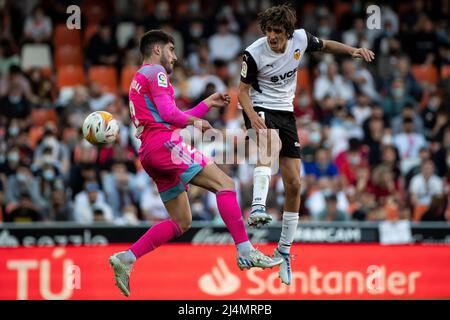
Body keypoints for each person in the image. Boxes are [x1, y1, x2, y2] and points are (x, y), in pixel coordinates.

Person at [109, 30, 282, 297]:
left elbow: (166, 117)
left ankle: (127, 258)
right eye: (171, 49)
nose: (175, 57)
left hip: (150, 152)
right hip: (164, 145)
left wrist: (203, 106)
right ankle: (245, 251)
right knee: (225, 183)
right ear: (157, 50)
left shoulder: (139, 78)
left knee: (181, 221)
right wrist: (195, 121)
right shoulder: (156, 73)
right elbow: (169, 116)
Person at [238, 4, 375, 285]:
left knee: (295, 183)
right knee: (268, 144)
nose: (273, 37)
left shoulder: (300, 39)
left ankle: (284, 250)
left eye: (278, 32)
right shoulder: (253, 53)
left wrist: (352, 51)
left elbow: (325, 46)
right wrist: (252, 117)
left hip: (286, 112)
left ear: (288, 32)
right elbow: (242, 93)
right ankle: (258, 207)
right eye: (269, 31)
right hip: (259, 105)